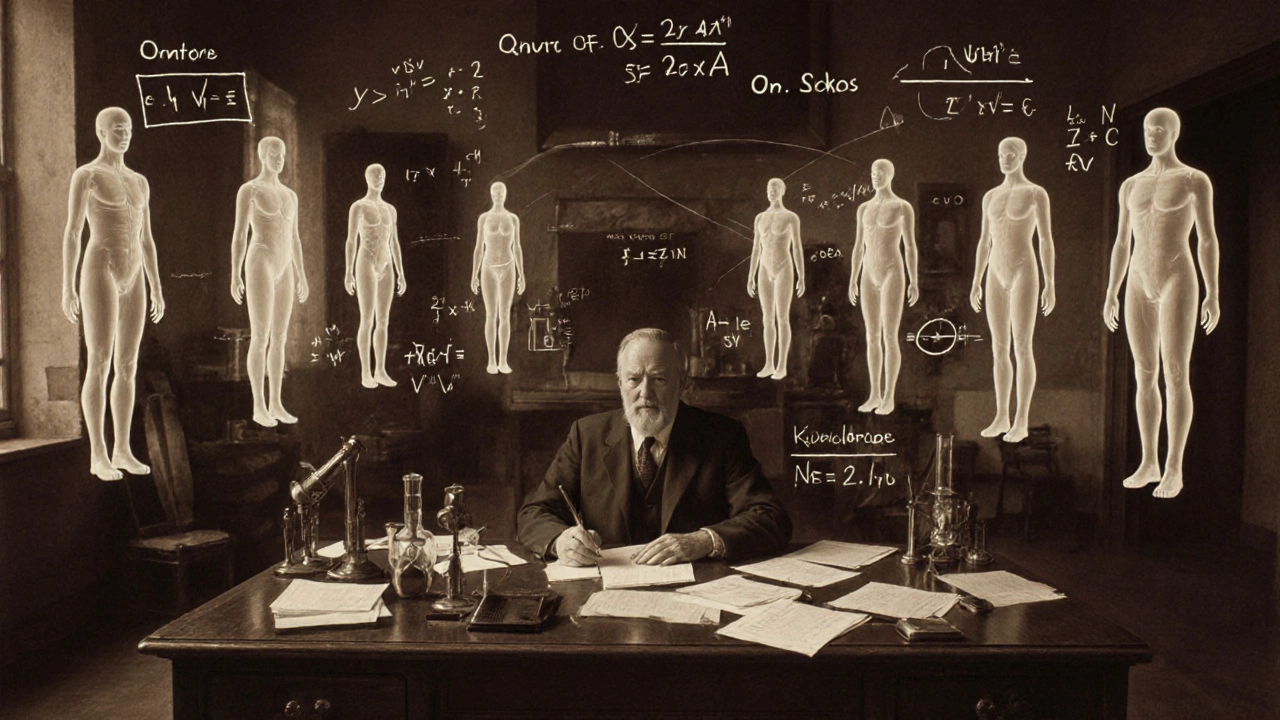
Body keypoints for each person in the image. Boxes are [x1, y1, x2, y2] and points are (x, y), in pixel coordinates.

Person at [517, 328, 792, 566]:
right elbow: (534, 513)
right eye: (634, 379)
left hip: (697, 589)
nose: (645, 393)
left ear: (682, 382)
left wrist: (704, 540)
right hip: (605, 588)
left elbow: (771, 518)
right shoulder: (586, 435)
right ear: (620, 383)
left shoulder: (722, 436)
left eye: (659, 379)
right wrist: (560, 541)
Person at [1103, 107, 1219, 499]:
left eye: (1159, 129)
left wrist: (1213, 291)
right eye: (1148, 129)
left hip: (1177, 278)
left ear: (1174, 133)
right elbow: (1122, 241)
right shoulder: (1130, 185)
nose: (1152, 135)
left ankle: (1174, 468)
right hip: (1138, 278)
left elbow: (1207, 238)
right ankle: (1149, 460)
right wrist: (1112, 290)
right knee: (1144, 373)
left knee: (1175, 372)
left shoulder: (1193, 180)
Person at [61, 107, 166, 481]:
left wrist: (156, 286)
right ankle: (98, 454)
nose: (125, 134)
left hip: (134, 271)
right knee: (100, 360)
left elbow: (147, 239)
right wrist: (67, 285)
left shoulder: (139, 182)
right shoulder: (87, 175)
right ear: (101, 133)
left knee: (128, 364)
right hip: (100, 265)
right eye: (117, 129)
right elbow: (73, 232)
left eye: (129, 129)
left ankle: (122, 448)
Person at [970, 137, 1057, 443]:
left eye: (1010, 154)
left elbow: (1045, 239)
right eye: (1000, 155)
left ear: (1022, 156)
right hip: (995, 271)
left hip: (1024, 270)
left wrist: (1050, 282)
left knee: (1021, 346)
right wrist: (976, 280)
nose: (1004, 159)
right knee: (998, 347)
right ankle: (1001, 416)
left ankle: (1021, 420)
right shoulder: (990, 197)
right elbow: (984, 241)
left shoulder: (1035, 193)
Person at [230, 136, 308, 427]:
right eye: (273, 153)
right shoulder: (249, 190)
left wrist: (301, 274)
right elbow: (240, 234)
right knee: (260, 336)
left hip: (284, 265)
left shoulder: (290, 196)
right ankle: (258, 406)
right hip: (260, 258)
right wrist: (235, 272)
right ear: (262, 155)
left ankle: (275, 402)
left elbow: (295, 238)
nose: (279, 159)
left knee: (280, 337)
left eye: (282, 154)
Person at [848, 159, 919, 415]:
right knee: (871, 336)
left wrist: (914, 280)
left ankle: (889, 396)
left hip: (892, 271)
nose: (875, 176)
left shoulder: (901, 207)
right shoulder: (863, 209)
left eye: (880, 172)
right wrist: (853, 278)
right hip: (869, 272)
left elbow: (909, 246)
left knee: (889, 335)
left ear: (890, 174)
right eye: (872, 173)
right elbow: (859, 246)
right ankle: (874, 394)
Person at [344, 163, 406, 388]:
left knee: (383, 319)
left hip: (386, 263)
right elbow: (351, 240)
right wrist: (348, 271)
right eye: (376, 175)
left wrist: (401, 272)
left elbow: (395, 242)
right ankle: (365, 373)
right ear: (367, 178)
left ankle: (380, 370)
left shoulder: (390, 209)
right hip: (366, 261)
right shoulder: (358, 207)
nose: (380, 178)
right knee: (367, 319)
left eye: (383, 175)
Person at [747, 178, 805, 380]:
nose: (771, 191)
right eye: (769, 188)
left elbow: (796, 247)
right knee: (767, 319)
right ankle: (769, 363)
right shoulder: (760, 218)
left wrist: (801, 275)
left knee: (782, 317)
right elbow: (756, 248)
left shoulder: (790, 217)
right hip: (764, 268)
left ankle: (782, 365)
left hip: (783, 268)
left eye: (775, 188)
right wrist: (751, 275)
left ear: (782, 191)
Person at [471, 181, 525, 374]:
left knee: (505, 315)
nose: (499, 194)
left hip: (508, 267)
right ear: (491, 194)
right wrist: (474, 274)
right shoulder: (484, 218)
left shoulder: (513, 219)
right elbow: (479, 247)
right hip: (488, 267)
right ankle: (491, 361)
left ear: (506, 194)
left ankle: (503, 360)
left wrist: (521, 273)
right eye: (495, 191)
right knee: (491, 315)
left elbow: (517, 247)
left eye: (502, 191)